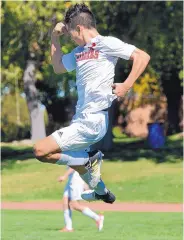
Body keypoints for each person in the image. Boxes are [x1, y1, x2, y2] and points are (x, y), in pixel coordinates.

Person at [33, 3, 150, 203]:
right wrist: (54, 37)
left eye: (71, 35)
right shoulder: (79, 52)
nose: (71, 39)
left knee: (40, 150)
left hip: (94, 120)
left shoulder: (106, 43)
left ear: (79, 28)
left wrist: (127, 85)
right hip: (81, 120)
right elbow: (59, 67)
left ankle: (89, 160)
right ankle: (101, 191)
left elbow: (142, 56)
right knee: (74, 160)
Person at [58, 167, 104, 232]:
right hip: (71, 180)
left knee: (75, 205)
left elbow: (74, 166)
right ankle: (68, 227)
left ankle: (97, 218)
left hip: (75, 181)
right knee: (65, 202)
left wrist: (64, 176)